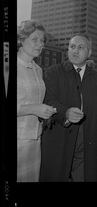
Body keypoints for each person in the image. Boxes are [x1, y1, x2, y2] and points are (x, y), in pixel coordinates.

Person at [39, 33, 97, 182]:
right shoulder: (52, 72)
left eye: (81, 47)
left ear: (89, 53)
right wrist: (66, 112)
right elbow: (49, 100)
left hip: (87, 139)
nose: (75, 51)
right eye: (72, 47)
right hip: (59, 137)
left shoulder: (96, 78)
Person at [17, 20, 57, 182]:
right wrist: (34, 108)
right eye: (35, 39)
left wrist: (45, 112)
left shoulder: (38, 69)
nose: (40, 44)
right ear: (21, 40)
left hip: (35, 140)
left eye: (42, 40)